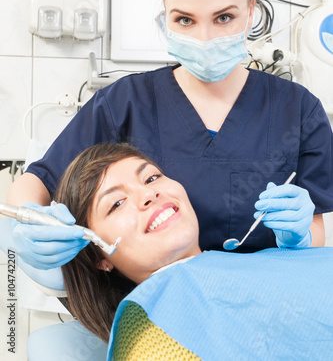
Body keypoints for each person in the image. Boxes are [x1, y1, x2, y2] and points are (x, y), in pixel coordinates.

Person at [7, 0, 333, 269]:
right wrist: (25, 221)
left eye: (224, 17)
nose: (205, 37)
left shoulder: (298, 111)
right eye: (185, 19)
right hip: (156, 311)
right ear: (165, 16)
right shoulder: (124, 104)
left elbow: (315, 240)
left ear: (251, 10)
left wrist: (299, 235)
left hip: (263, 306)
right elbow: (40, 178)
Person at [53, 142, 333, 360]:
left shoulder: (264, 257)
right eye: (117, 203)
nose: (149, 194)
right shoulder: (152, 334)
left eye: (151, 178)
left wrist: (298, 245)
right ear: (100, 258)